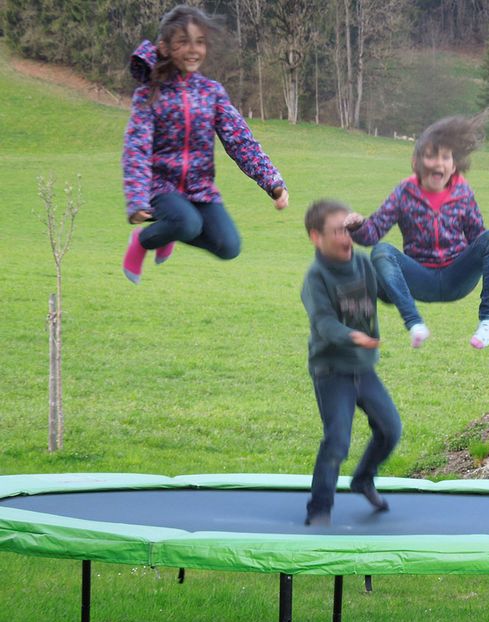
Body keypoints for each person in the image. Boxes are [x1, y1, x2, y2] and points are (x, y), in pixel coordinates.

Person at [345, 114, 489, 349]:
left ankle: (488, 322)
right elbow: (373, 234)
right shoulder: (403, 192)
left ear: (453, 165)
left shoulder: (463, 193)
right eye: (431, 156)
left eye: (445, 157)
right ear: (416, 162)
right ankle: (415, 324)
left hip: (457, 278)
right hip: (419, 277)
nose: (438, 163)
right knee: (382, 251)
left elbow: (482, 241)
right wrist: (358, 225)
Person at [121, 4, 289, 284]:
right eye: (183, 42)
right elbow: (136, 148)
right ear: (164, 47)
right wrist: (137, 199)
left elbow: (240, 140)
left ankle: (171, 232)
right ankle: (142, 241)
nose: (193, 49)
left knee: (229, 246)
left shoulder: (212, 92)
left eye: (199, 42)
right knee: (187, 223)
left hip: (200, 189)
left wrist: (272, 181)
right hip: (161, 185)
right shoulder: (149, 94)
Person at [302, 199, 403, 526]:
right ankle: (319, 510)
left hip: (363, 369)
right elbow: (324, 324)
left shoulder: (362, 264)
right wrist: (353, 336)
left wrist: (404, 272)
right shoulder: (316, 278)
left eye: (348, 229)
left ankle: (363, 479)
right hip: (332, 370)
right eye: (337, 232)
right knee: (337, 440)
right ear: (316, 237)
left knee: (390, 430)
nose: (346, 238)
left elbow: (389, 292)